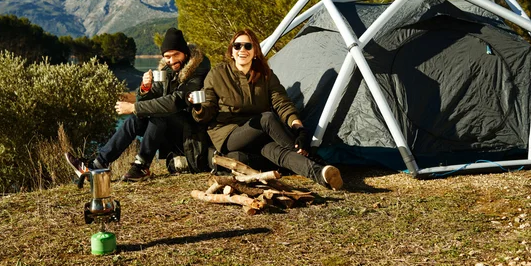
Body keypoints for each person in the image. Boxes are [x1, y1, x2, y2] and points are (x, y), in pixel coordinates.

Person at [191, 28, 343, 190]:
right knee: (267, 118)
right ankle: (309, 155)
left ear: (255, 51)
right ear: (232, 51)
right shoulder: (217, 74)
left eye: (248, 46)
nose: (242, 50)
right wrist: (198, 107)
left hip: (260, 133)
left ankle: (322, 174)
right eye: (237, 46)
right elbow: (207, 109)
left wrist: (298, 128)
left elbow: (282, 103)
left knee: (278, 152)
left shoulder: (265, 75)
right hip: (229, 134)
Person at [65, 27, 211, 181]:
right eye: (167, 56)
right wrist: (144, 88)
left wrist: (133, 107)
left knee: (159, 113)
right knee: (137, 119)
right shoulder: (167, 71)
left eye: (176, 55)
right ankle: (97, 164)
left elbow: (174, 102)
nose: (172, 60)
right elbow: (146, 101)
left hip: (192, 134)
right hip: (172, 130)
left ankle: (141, 166)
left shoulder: (198, 70)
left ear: (185, 53)